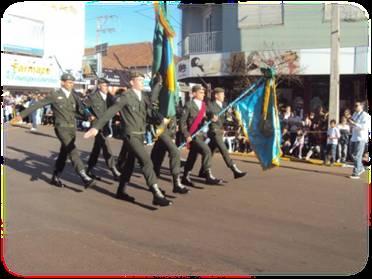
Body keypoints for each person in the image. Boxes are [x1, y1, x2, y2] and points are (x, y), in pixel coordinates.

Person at [84, 71, 172, 207]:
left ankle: (121, 191)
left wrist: (158, 84)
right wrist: (96, 127)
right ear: (132, 82)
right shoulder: (125, 97)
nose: (142, 82)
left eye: (143, 80)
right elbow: (110, 112)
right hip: (131, 135)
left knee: (130, 164)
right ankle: (156, 193)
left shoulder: (143, 96)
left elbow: (152, 103)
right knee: (146, 162)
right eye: (139, 80)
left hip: (141, 134)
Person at [10, 73, 95, 188]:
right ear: (62, 82)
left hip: (71, 128)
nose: (71, 85)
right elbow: (38, 104)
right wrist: (21, 116)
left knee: (64, 153)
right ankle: (83, 175)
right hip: (61, 127)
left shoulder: (74, 95)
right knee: (72, 149)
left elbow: (81, 108)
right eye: (69, 82)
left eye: (72, 83)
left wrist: (88, 115)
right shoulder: (55, 94)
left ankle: (55, 177)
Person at [197, 87, 247, 179]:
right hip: (214, 131)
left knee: (210, 152)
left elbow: (226, 118)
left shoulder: (224, 105)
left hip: (220, 130)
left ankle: (202, 171)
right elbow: (208, 112)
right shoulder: (210, 104)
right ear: (216, 96)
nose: (224, 96)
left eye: (223, 94)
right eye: (222, 94)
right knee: (224, 150)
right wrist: (212, 116)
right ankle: (234, 169)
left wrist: (235, 121)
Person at [180, 85, 223, 187]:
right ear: (194, 94)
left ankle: (185, 177)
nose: (203, 94)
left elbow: (209, 115)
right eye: (200, 92)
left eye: (203, 92)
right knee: (207, 151)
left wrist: (212, 117)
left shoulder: (204, 105)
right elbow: (182, 122)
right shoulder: (189, 105)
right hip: (193, 135)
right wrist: (186, 135)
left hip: (202, 135)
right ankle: (208, 175)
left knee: (192, 156)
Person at [84, 78, 121, 181]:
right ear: (99, 86)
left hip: (105, 125)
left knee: (97, 148)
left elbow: (116, 108)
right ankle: (114, 170)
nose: (106, 87)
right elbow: (84, 107)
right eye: (104, 85)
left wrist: (118, 118)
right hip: (96, 125)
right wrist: (89, 115)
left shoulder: (110, 97)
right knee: (105, 146)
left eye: (107, 86)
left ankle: (89, 169)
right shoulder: (92, 97)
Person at [348, 101, 371, 179]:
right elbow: (352, 124)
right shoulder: (354, 114)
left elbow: (364, 127)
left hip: (361, 138)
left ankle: (356, 172)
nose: (355, 107)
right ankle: (360, 168)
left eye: (356, 105)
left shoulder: (366, 115)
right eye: (354, 105)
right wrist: (350, 123)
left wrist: (354, 124)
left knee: (357, 155)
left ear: (362, 106)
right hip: (354, 137)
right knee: (352, 154)